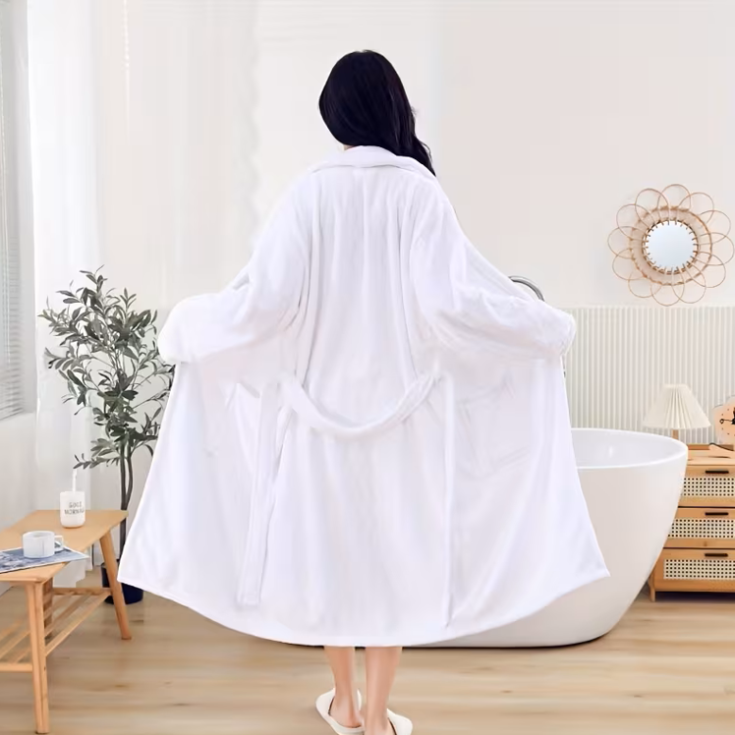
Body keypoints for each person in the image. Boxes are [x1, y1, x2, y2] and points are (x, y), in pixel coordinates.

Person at [119, 51, 607, 735]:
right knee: (391, 566)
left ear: (334, 115)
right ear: (394, 107)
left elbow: (263, 306)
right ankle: (376, 717)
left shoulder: (307, 193)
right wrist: (546, 327)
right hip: (406, 420)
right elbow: (451, 305)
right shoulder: (418, 191)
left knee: (332, 563)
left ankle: (343, 703)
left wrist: (185, 327)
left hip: (315, 420)